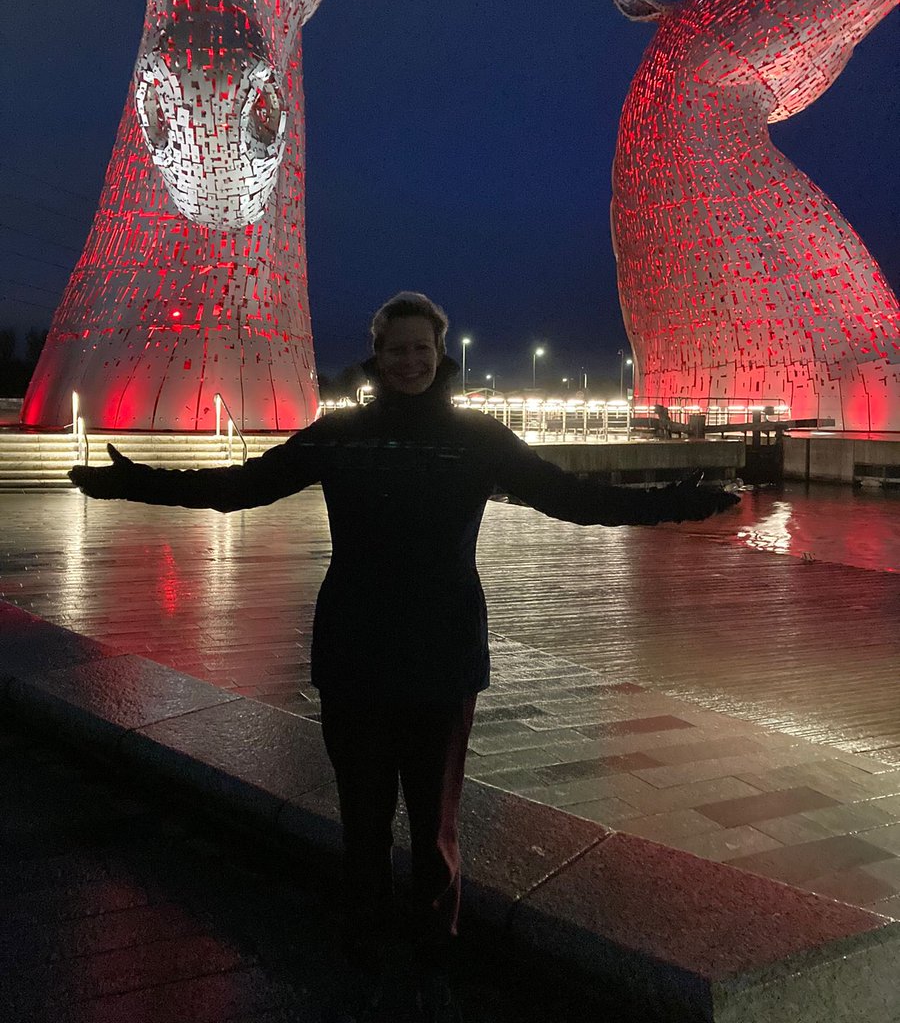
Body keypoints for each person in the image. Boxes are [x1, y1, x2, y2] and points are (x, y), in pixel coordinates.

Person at [69, 291, 738, 1022]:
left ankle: (433, 959)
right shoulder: (340, 437)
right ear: (378, 355)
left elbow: (573, 498)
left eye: (422, 349)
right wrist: (132, 482)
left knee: (435, 828)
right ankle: (360, 948)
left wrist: (681, 501)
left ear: (438, 352)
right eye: (398, 349)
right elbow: (239, 488)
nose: (411, 361)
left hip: (443, 652)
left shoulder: (478, 438)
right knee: (361, 820)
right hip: (354, 648)